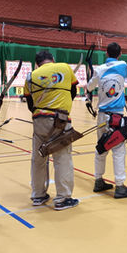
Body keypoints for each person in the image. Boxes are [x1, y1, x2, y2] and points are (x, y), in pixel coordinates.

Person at [24, 50, 79, 210]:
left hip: (39, 120)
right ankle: (63, 198)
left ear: (37, 64)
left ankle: (38, 195)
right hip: (60, 119)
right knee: (62, 158)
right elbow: (73, 91)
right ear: (52, 59)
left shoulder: (30, 76)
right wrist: (61, 105)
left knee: (38, 158)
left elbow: (30, 104)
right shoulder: (64, 67)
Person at [86, 42, 127, 199]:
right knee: (119, 151)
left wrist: (93, 75)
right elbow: (123, 75)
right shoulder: (123, 65)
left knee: (101, 147)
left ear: (106, 54)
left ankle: (98, 181)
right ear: (120, 53)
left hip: (102, 116)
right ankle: (120, 186)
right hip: (116, 117)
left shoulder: (100, 69)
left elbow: (89, 87)